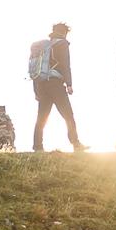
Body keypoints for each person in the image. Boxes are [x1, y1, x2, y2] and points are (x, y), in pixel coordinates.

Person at [29, 22, 86, 153]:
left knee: (42, 117)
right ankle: (76, 143)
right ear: (64, 33)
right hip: (56, 84)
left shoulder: (43, 47)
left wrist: (36, 90)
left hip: (42, 85)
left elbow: (35, 70)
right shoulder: (62, 44)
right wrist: (69, 84)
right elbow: (66, 65)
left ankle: (37, 146)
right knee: (68, 114)